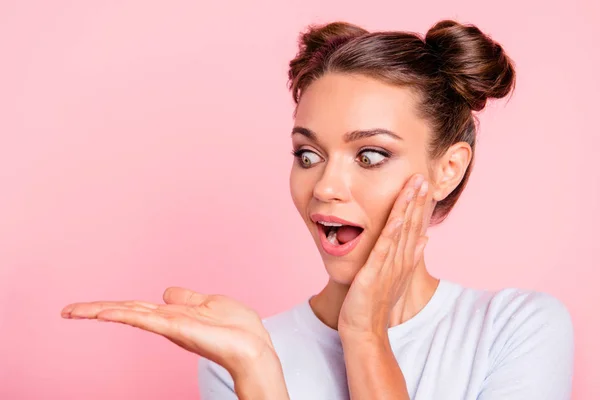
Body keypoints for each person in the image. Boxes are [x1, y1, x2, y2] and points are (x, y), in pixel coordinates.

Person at [61, 19, 575, 399]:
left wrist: (365, 333)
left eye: (370, 155)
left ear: (448, 168)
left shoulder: (514, 330)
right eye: (308, 155)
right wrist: (259, 374)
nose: (325, 186)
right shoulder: (239, 350)